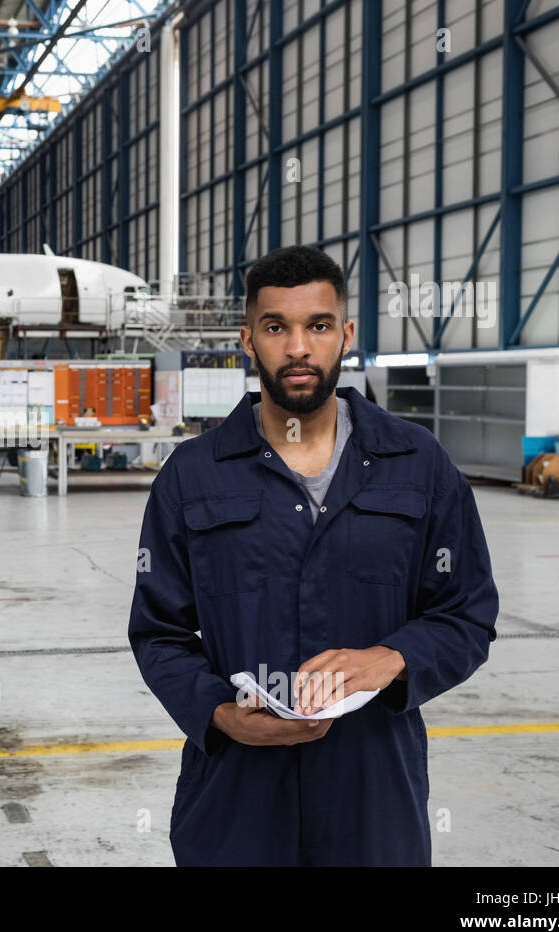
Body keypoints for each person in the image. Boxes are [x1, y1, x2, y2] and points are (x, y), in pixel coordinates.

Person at [128, 245, 499, 865]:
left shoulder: (418, 464)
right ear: (248, 339)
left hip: (374, 796)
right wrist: (220, 713)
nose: (298, 348)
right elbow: (159, 632)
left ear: (346, 334)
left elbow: (467, 614)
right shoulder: (191, 476)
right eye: (277, 327)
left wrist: (392, 658)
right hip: (236, 801)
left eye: (318, 326)